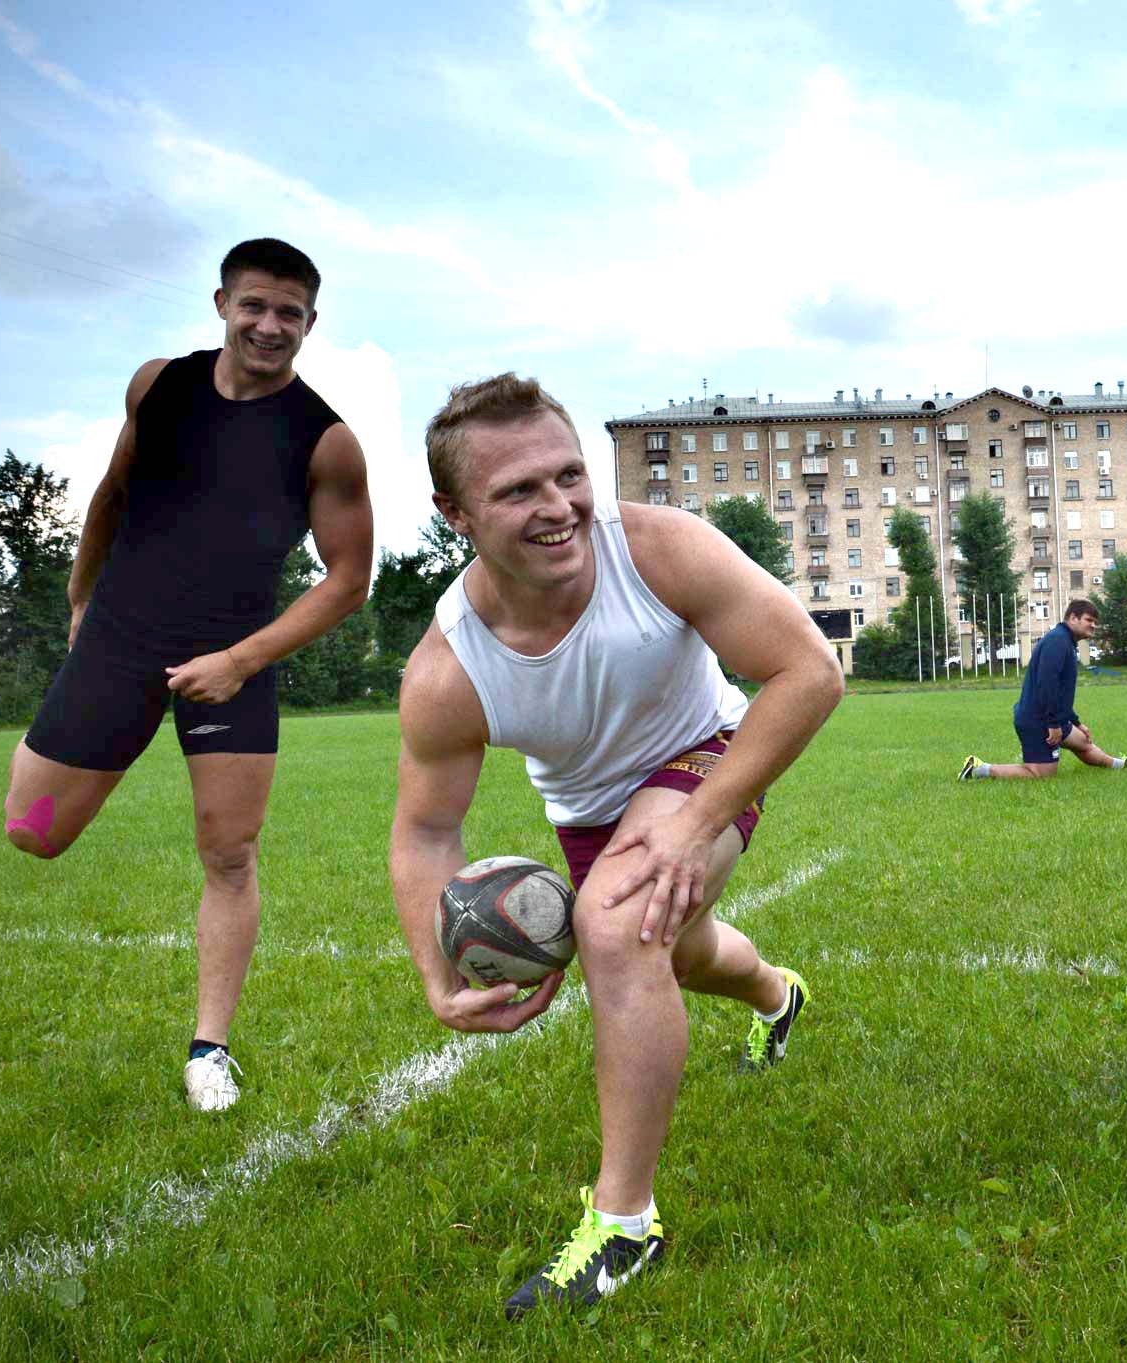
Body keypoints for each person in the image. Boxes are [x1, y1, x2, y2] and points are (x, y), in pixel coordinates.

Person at [388, 373, 843, 1321]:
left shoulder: (657, 549)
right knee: (673, 949)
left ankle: (624, 1223)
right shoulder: (448, 668)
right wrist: (436, 974)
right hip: (590, 814)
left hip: (707, 755)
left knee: (614, 926)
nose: (559, 507)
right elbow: (427, 829)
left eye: (569, 474)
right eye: (518, 490)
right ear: (454, 513)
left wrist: (697, 818)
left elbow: (808, 669)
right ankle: (776, 992)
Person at [1, 238, 374, 1113]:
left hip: (232, 662)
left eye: (289, 313)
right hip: (119, 640)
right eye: (255, 306)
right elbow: (112, 492)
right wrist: (81, 596)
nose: (270, 325)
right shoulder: (157, 386)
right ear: (221, 305)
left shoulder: (325, 441)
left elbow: (349, 581)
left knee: (231, 854)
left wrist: (240, 660)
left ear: (311, 322)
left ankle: (210, 1050)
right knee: (32, 830)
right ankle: (97, 737)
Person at [957, 599, 1127, 780]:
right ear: (1073, 618)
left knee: (1083, 742)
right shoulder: (1058, 641)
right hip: (1038, 719)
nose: (1093, 626)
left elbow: (1061, 692)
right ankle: (978, 769)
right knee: (1042, 774)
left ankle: (1121, 764)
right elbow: (1046, 683)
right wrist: (1053, 724)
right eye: (1089, 620)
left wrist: (1076, 722)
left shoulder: (1064, 640)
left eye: (1095, 622)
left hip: (1052, 716)